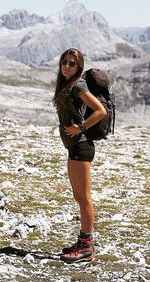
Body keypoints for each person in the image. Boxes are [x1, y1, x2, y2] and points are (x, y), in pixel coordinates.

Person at [53, 48, 106, 263]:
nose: (66, 66)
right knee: (79, 196)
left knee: (84, 198)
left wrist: (81, 127)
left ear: (79, 66)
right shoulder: (67, 84)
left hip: (81, 147)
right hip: (73, 149)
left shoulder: (78, 85)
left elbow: (101, 110)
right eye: (64, 62)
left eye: (71, 63)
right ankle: (83, 242)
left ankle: (87, 247)